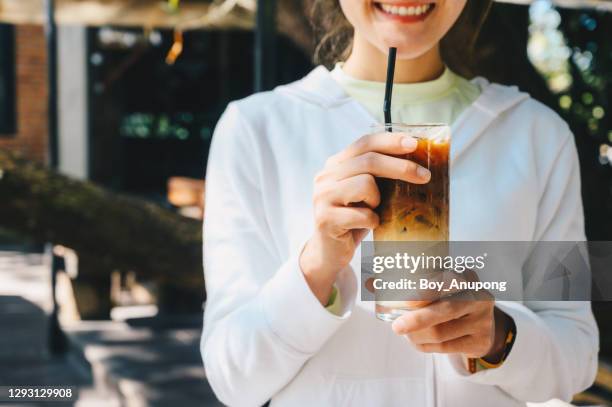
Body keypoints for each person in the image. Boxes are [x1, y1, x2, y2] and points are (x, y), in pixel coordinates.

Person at [201, 1, 599, 406]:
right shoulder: (255, 131)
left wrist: (497, 336)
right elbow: (233, 379)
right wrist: (316, 265)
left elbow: (577, 355)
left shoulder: (539, 136)